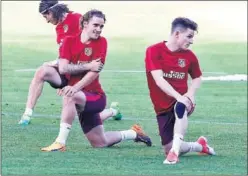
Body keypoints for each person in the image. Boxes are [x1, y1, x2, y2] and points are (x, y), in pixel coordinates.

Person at [41, 9, 152, 152]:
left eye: (101, 26)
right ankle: (134, 133)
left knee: (70, 96)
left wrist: (75, 88)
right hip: (80, 97)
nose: (99, 29)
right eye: (96, 25)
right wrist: (87, 66)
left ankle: (60, 142)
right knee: (100, 143)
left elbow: (94, 73)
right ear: (85, 23)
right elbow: (63, 68)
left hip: (95, 97)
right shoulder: (69, 41)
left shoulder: (102, 42)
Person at [18, 0, 122, 126]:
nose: (47, 21)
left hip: (81, 75)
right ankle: (27, 114)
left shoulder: (77, 19)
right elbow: (66, 54)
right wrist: (56, 63)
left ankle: (112, 111)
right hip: (67, 72)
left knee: (82, 119)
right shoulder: (59, 28)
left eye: (46, 16)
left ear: (51, 11)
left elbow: (87, 49)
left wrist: (73, 84)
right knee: (42, 71)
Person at [145, 17, 215, 164]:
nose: (191, 41)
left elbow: (197, 77)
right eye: (189, 36)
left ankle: (174, 155)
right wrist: (178, 96)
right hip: (162, 105)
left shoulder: (190, 56)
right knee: (167, 147)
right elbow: (159, 80)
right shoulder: (154, 51)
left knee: (180, 106)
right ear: (177, 34)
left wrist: (189, 95)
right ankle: (198, 146)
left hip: (182, 101)